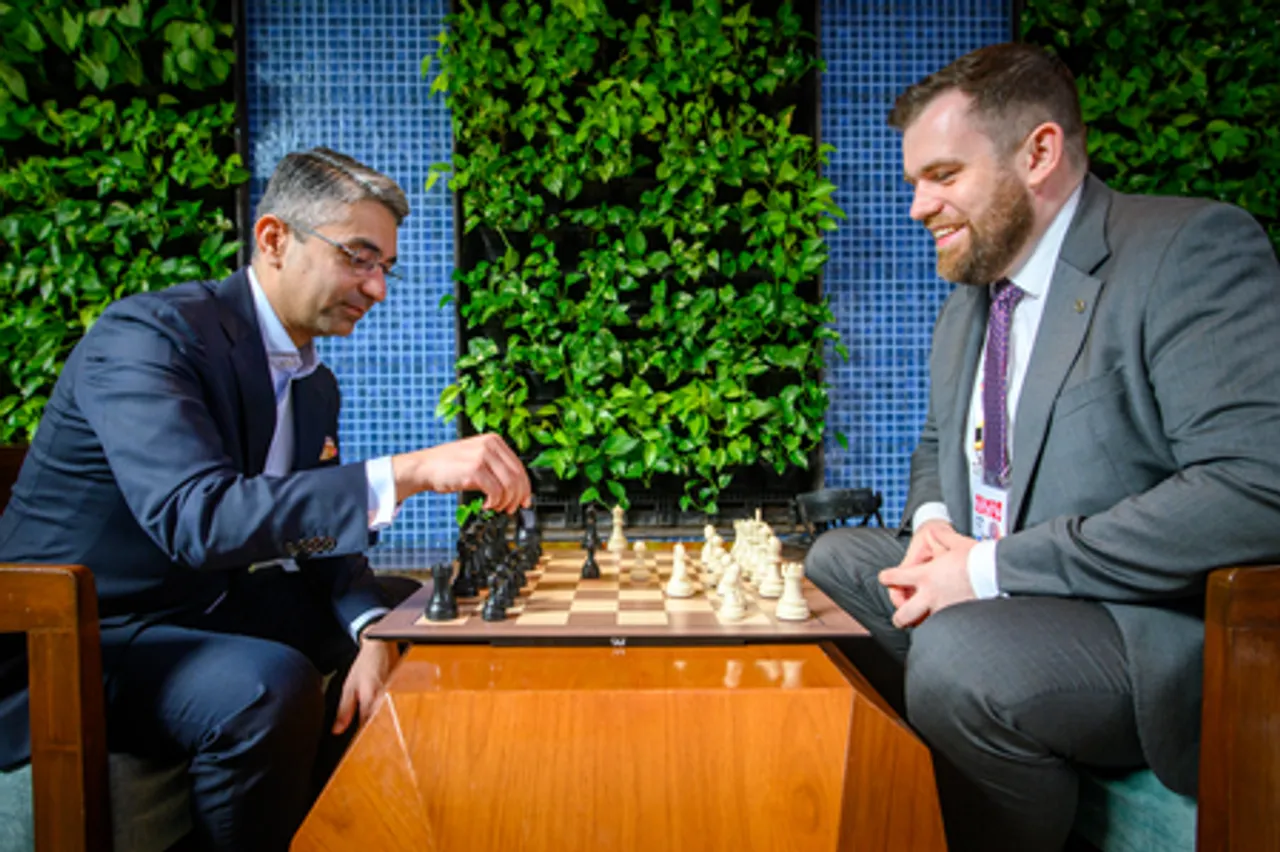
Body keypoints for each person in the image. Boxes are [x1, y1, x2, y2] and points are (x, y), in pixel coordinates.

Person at [806, 43, 1280, 852]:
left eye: (944, 175)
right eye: (915, 181)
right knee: (836, 563)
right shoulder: (973, 295)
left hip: (1143, 627)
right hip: (1016, 596)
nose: (918, 206)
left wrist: (987, 571)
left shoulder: (1186, 249)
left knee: (959, 655)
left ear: (1039, 152)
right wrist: (933, 521)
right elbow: (936, 441)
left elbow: (1256, 488)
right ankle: (941, 794)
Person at [0, 147, 531, 851]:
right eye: (358, 258)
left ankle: (345, 830)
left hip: (195, 609)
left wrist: (372, 625)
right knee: (266, 685)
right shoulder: (147, 339)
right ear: (274, 239)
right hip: (75, 639)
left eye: (384, 268)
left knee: (408, 616)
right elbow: (199, 519)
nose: (377, 288)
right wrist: (405, 472)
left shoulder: (313, 383)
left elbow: (320, 550)